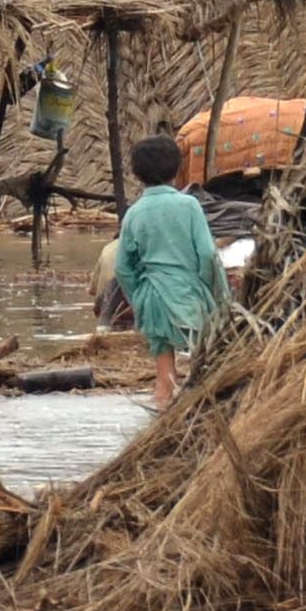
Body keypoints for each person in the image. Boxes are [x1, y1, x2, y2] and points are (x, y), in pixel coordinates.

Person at [114, 133, 224, 406]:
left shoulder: (134, 213)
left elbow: (122, 268)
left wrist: (138, 297)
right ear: (177, 169)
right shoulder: (189, 206)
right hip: (190, 295)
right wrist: (209, 288)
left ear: (138, 175)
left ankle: (158, 432)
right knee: (206, 371)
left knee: (164, 381)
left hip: (153, 298)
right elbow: (208, 254)